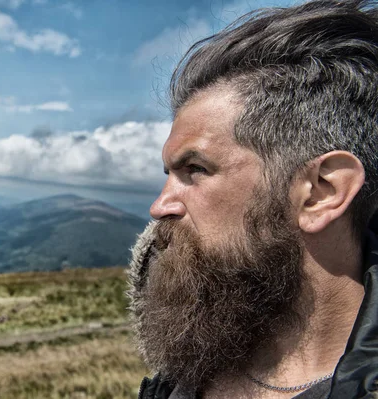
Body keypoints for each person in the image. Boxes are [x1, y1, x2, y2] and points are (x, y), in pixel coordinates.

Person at [127, 1, 378, 398]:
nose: (160, 206)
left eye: (195, 169)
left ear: (321, 192)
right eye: (169, 175)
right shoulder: (191, 362)